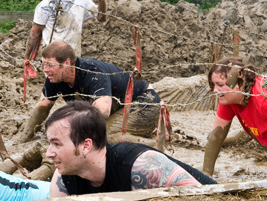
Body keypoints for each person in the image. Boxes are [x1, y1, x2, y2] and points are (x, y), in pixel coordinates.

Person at [44, 101, 216, 197]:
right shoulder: (64, 176)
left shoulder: (143, 166)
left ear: (86, 145)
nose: (48, 153)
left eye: (57, 144)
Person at [18, 40, 161, 141]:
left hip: (144, 102)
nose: (45, 70)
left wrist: (73, 127)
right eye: (44, 64)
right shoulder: (55, 76)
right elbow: (43, 106)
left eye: (49, 65)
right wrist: (24, 137)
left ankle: (154, 145)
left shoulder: (92, 73)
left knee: (100, 139)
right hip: (118, 105)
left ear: (66, 63)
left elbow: (103, 110)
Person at [23, 0, 107, 60]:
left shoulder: (83, 0)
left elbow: (101, 18)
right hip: (52, 57)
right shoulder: (47, 4)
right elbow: (35, 32)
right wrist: (27, 57)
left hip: (73, 57)